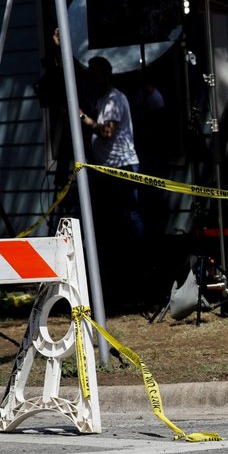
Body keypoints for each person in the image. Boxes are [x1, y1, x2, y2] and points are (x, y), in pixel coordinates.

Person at [80, 56, 144, 306]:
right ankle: (121, 267)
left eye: (97, 74)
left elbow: (107, 132)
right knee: (116, 220)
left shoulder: (115, 98)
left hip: (122, 166)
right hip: (107, 167)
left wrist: (83, 118)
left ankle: (139, 264)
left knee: (130, 215)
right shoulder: (101, 99)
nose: (94, 79)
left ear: (106, 75)